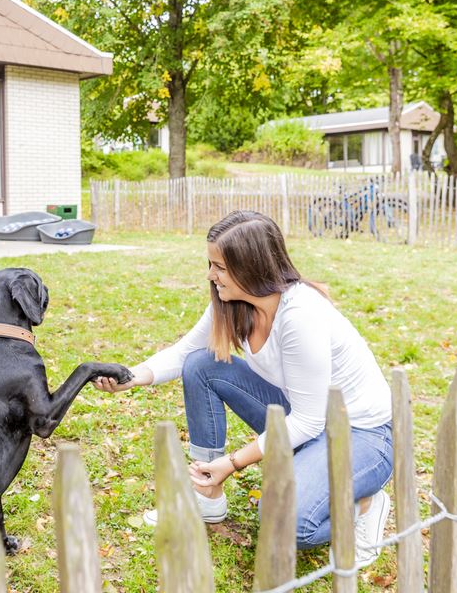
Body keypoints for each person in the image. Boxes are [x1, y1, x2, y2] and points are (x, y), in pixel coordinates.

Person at [94, 210, 393, 564]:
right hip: (302, 417)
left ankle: (364, 504)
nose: (210, 275)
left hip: (360, 434)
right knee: (202, 365)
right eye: (210, 264)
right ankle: (205, 491)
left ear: (251, 266)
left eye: (219, 266)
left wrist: (233, 462)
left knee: (283, 521)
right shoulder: (233, 303)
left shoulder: (299, 316)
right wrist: (132, 376)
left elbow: (309, 421)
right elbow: (186, 352)